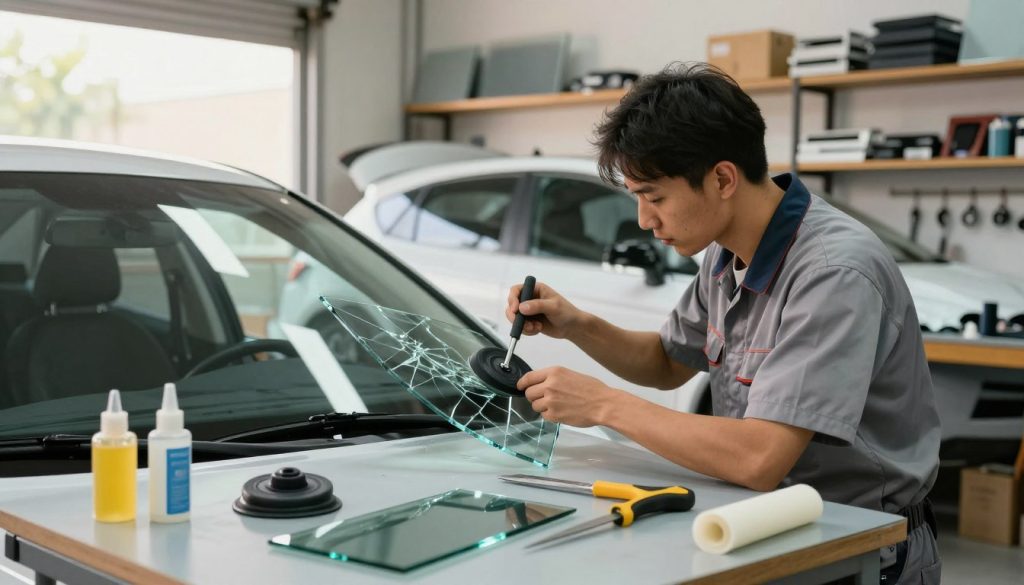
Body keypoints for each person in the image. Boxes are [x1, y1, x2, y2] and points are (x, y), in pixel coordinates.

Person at [506, 63, 941, 584]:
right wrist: (576, 324)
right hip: (768, 528)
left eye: (654, 197)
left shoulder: (832, 272)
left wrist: (603, 405)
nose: (645, 221)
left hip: (863, 547)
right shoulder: (726, 253)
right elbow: (669, 361)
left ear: (722, 178)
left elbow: (760, 457)